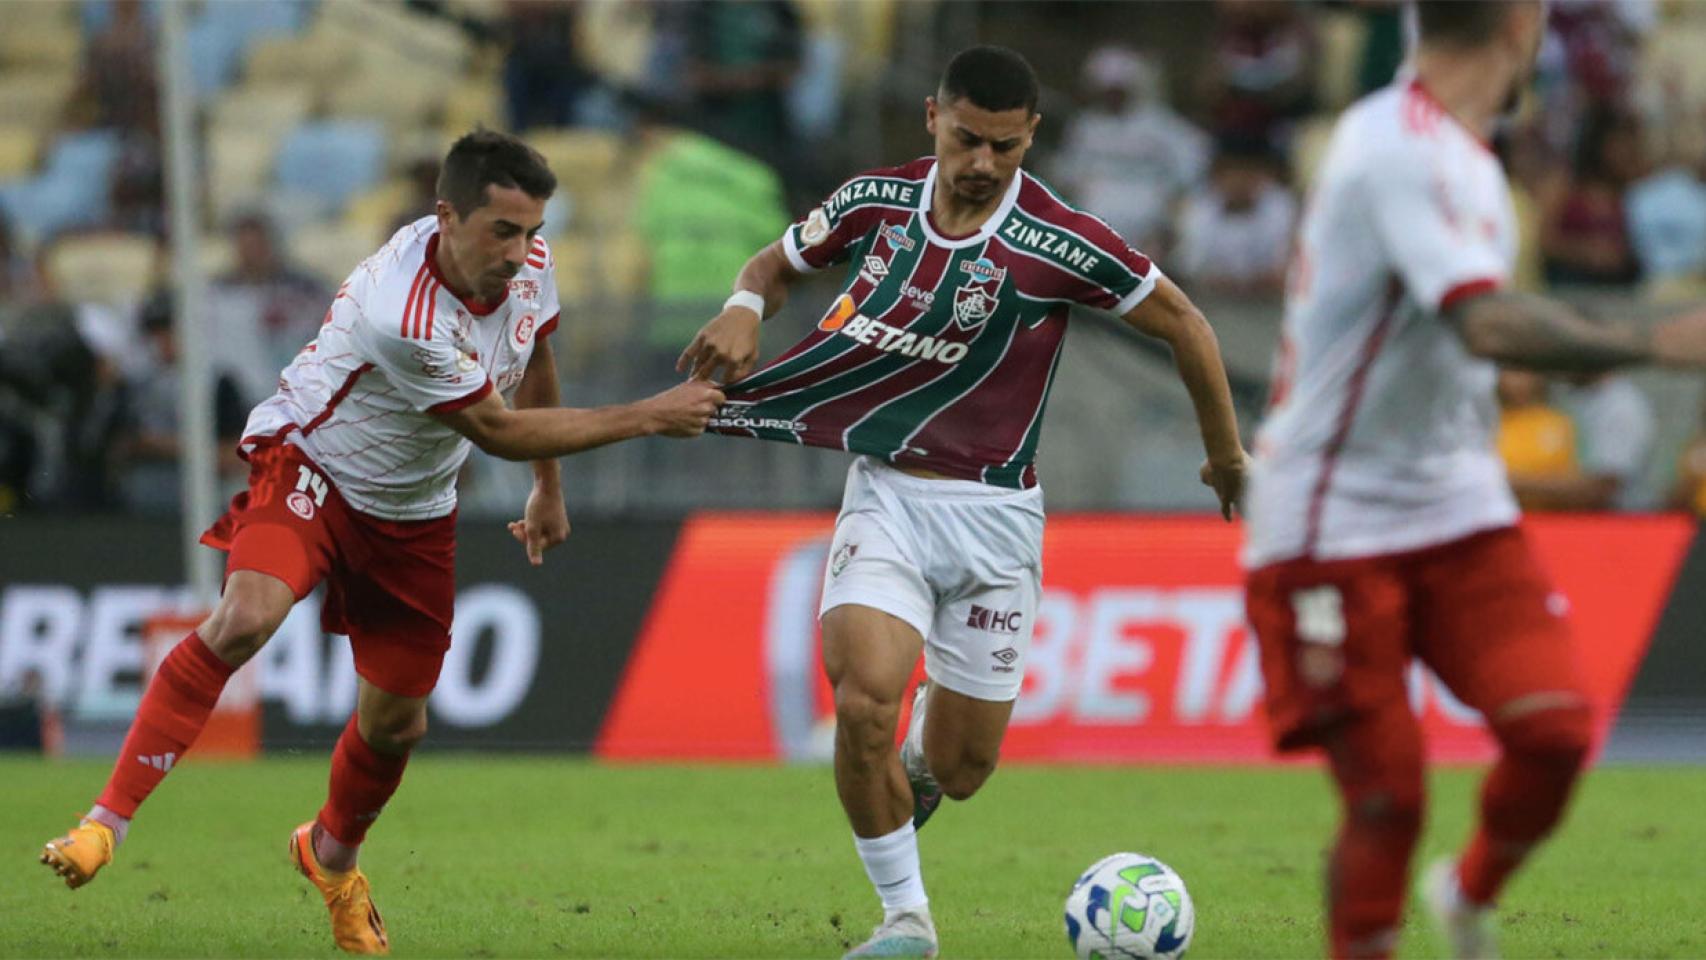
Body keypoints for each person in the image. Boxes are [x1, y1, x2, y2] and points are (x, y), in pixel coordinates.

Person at [39, 130, 724, 955]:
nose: (521, 251)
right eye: (502, 231)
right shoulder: (403, 310)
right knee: (246, 618)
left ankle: (331, 858)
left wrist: (549, 488)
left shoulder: (530, 271)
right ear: (447, 217)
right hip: (315, 467)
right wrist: (651, 413)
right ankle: (103, 824)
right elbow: (498, 430)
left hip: (415, 508)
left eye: (533, 231)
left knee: (397, 723)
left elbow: (533, 358)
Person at [677, 46, 1248, 959]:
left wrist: (1224, 455)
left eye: (1006, 147)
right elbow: (774, 260)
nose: (982, 163)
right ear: (933, 119)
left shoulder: (1061, 241)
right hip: (888, 495)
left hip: (996, 520)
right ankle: (907, 922)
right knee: (864, 703)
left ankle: (919, 772)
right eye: (968, 139)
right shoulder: (874, 203)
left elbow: (1185, 321)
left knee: (962, 768)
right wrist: (747, 302)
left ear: (1033, 138)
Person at [1243, 4, 1706, 958]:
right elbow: (1484, 326)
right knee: (1389, 795)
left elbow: (1475, 338)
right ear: (1520, 22)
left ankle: (1464, 894)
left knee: (1556, 729)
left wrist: (1581, 355)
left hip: (1456, 502)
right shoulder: (1398, 148)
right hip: (1334, 517)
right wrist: (1658, 341)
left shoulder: (1467, 157)